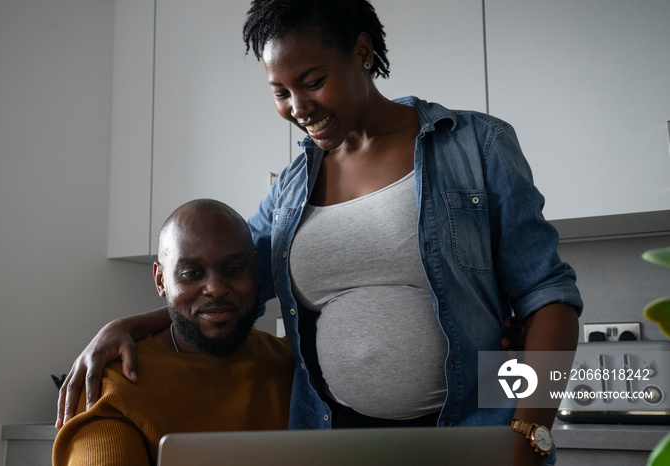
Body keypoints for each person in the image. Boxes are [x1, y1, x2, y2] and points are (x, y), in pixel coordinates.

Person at [56, 1, 582, 464]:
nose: (298, 108)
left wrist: (529, 431)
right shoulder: (290, 189)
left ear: (361, 52)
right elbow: (234, 281)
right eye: (280, 91)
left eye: (311, 81)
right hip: (330, 440)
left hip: (470, 435)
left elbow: (549, 297)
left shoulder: (475, 145)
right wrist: (126, 324)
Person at [52, 199, 294, 466]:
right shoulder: (112, 388)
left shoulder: (293, 365)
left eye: (234, 269)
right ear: (160, 280)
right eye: (191, 273)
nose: (215, 288)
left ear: (255, 269)